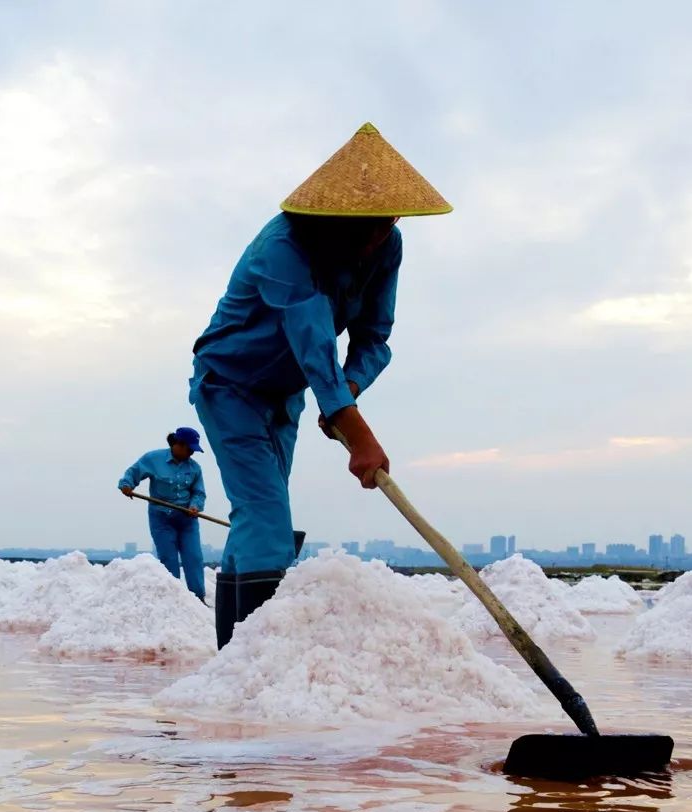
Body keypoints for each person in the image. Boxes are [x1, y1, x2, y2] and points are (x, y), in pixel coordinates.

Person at [189, 122, 451, 648]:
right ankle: (263, 661)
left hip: (284, 395)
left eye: (384, 223)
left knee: (256, 516)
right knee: (267, 517)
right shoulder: (282, 248)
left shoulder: (386, 247)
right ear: (331, 216)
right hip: (230, 386)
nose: (374, 237)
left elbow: (375, 337)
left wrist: (346, 394)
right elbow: (313, 346)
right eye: (362, 226)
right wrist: (359, 434)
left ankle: (232, 661)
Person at [118, 427, 207, 602]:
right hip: (162, 519)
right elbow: (133, 473)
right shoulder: (153, 459)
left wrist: (195, 506)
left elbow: (199, 492)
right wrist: (127, 485)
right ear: (178, 445)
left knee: (194, 558)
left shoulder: (195, 468)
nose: (191, 453)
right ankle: (173, 600)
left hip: (187, 519)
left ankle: (198, 599)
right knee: (168, 559)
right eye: (190, 449)